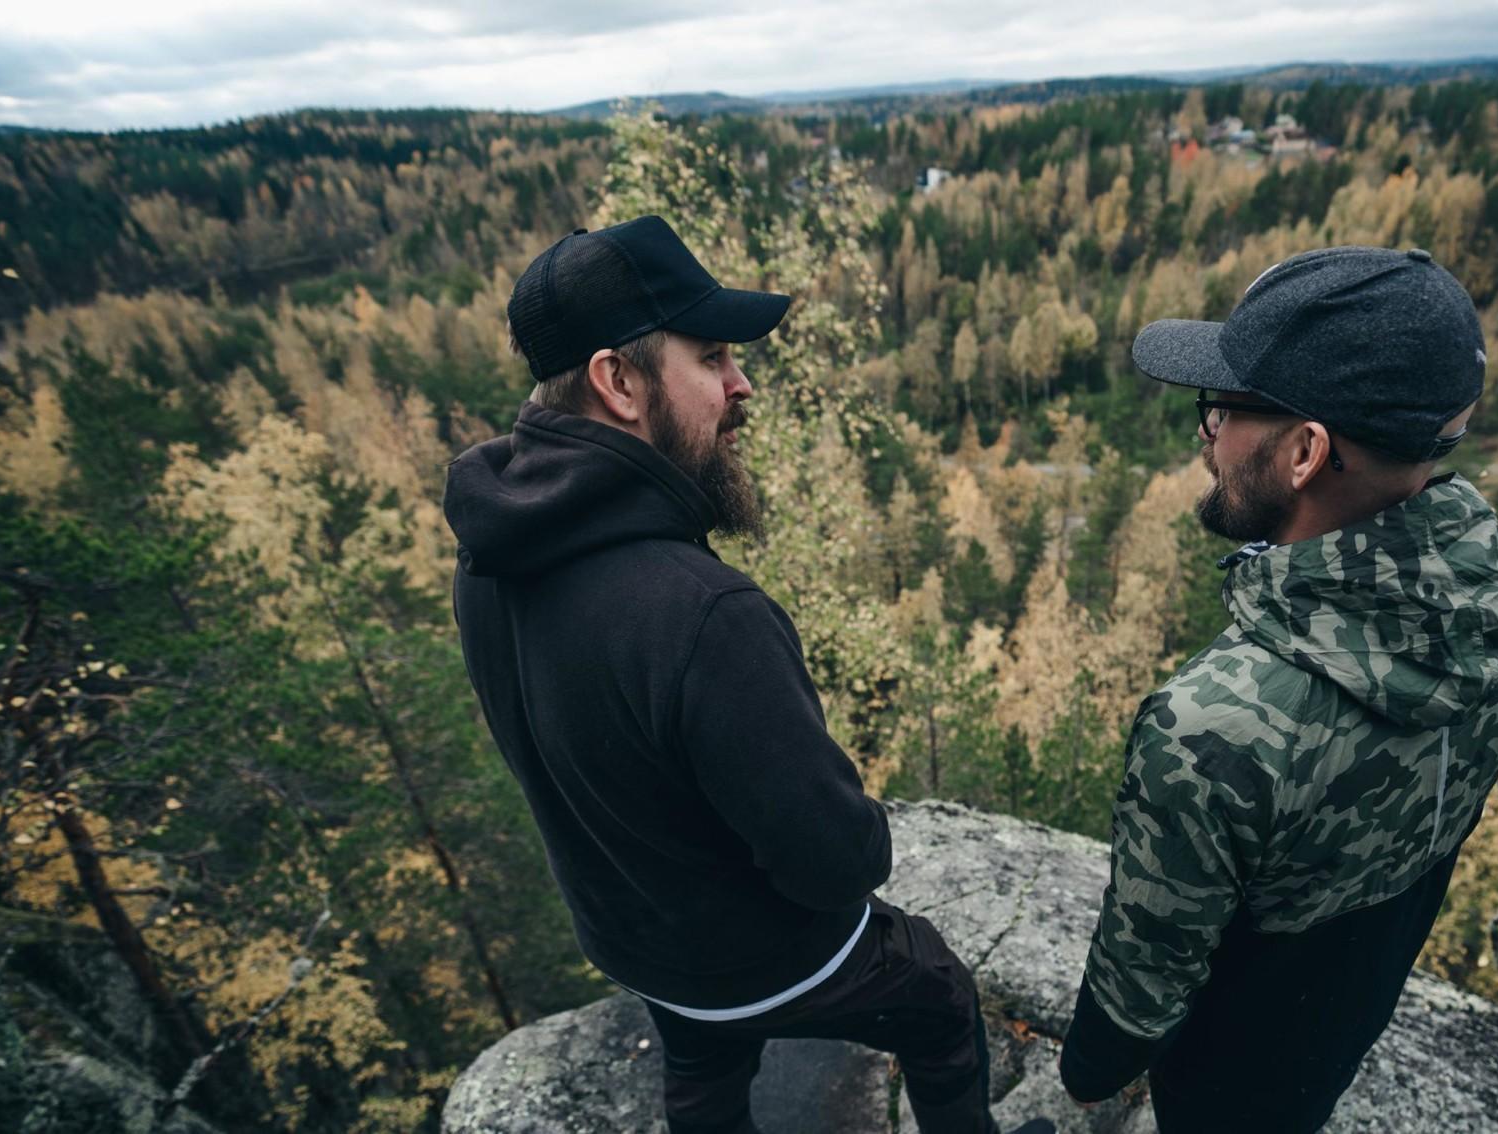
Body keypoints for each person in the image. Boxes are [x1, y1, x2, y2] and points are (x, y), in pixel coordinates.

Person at [444, 217, 1048, 1134]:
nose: (742, 383)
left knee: (701, 1064)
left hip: (638, 947)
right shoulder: (703, 614)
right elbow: (839, 864)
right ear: (618, 382)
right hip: (764, 963)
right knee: (939, 996)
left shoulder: (487, 563)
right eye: (714, 356)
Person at [1057, 247, 1498, 1132]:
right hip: (1342, 1026)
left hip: (1223, 1076)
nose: (1206, 434)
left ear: (1306, 452)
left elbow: (1140, 991)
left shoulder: (1215, 725)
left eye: (1223, 411)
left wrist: (1089, 1071)